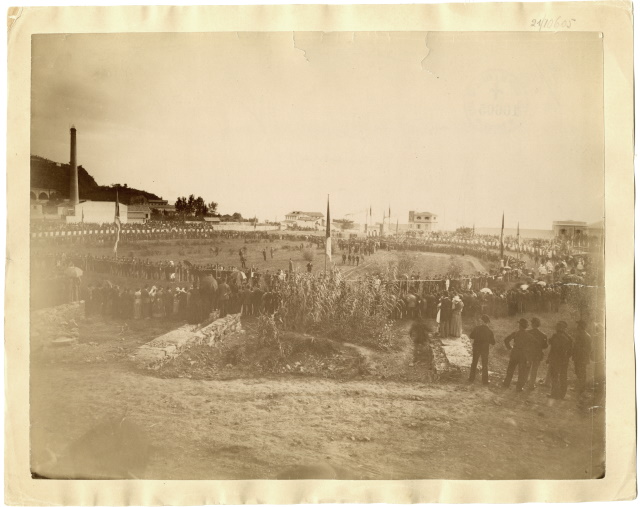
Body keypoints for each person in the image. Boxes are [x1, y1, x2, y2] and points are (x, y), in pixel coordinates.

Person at [502, 318, 534, 391]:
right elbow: (533, 345)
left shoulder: (515, 333)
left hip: (515, 353)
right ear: (526, 326)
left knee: (510, 369)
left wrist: (510, 348)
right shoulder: (529, 335)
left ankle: (506, 383)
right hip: (523, 355)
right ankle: (519, 387)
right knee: (521, 371)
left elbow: (506, 340)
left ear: (520, 325)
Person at [547, 321, 573, 399]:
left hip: (556, 359)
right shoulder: (568, 337)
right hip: (564, 360)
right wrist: (566, 357)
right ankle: (562, 395)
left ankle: (554, 394)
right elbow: (571, 350)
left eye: (558, 326)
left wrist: (550, 358)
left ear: (561, 328)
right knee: (563, 376)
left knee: (555, 376)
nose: (556, 328)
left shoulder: (557, 336)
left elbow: (553, 349)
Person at [468, 314, 495, 385]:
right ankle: (485, 381)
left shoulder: (477, 328)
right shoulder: (489, 331)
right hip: (485, 349)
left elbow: (471, 336)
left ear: (482, 321)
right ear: (487, 322)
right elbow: (493, 342)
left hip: (476, 348)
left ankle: (471, 379)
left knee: (474, 363)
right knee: (485, 364)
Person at [527, 317, 548, 390]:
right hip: (537, 354)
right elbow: (545, 346)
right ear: (539, 324)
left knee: (526, 368)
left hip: (528, 353)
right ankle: (531, 385)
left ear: (532, 324)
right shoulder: (543, 335)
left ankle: (523, 382)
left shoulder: (528, 332)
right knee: (534, 370)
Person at [572, 320, 592, 396]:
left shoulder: (585, 336)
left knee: (581, 373)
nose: (577, 327)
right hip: (579, 357)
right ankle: (578, 388)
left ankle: (581, 389)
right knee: (579, 372)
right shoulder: (581, 334)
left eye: (579, 325)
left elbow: (586, 349)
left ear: (582, 327)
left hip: (581, 357)